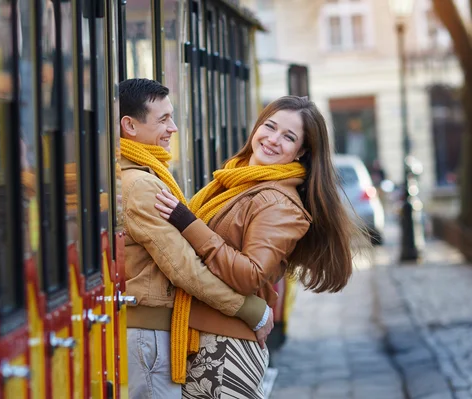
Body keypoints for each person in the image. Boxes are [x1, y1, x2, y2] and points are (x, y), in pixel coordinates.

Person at [154, 96, 362, 398]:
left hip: (225, 353)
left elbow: (250, 275)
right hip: (203, 344)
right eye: (270, 126)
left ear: (301, 151)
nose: (273, 140)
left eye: (288, 137)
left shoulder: (279, 203)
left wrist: (187, 222)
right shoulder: (234, 183)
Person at [119, 78, 274, 399]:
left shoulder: (142, 174)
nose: (173, 128)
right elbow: (183, 265)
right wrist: (247, 308)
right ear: (129, 126)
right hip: (147, 337)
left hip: (148, 332)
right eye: (163, 119)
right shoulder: (141, 185)